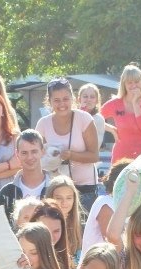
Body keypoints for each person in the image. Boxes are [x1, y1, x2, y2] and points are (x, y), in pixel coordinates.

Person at [36, 79, 101, 211]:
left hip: (85, 188)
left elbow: (94, 156)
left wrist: (71, 155)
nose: (62, 104)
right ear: (49, 101)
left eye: (65, 99)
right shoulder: (43, 124)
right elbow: (36, 155)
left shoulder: (85, 119)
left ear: (73, 99)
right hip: (56, 188)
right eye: (57, 100)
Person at [100, 64, 141, 164]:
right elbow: (93, 119)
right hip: (120, 157)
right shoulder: (115, 103)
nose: (134, 85)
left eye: (136, 82)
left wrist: (135, 104)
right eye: (129, 82)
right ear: (124, 84)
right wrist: (111, 129)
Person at [0, 129, 51, 221]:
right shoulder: (6, 193)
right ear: (17, 154)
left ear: (42, 151)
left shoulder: (55, 189)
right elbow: (0, 226)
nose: (30, 157)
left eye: (34, 151)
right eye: (24, 153)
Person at [46, 175, 84, 265]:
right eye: (59, 198)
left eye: (69, 198)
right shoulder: (42, 225)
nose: (64, 202)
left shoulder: (82, 227)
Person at [76, 83, 108, 147]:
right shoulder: (73, 115)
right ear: (79, 99)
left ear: (97, 101)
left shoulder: (99, 119)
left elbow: (95, 145)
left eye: (92, 97)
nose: (88, 99)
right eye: (85, 96)